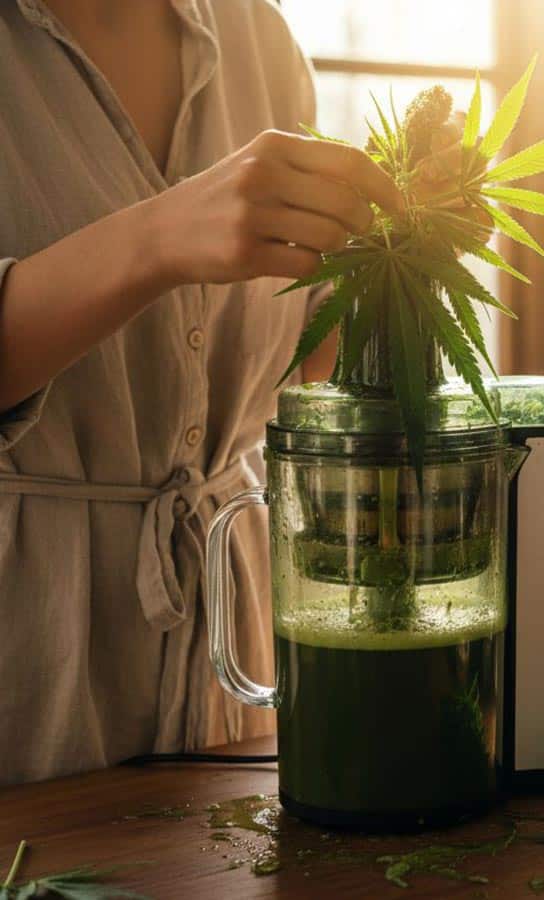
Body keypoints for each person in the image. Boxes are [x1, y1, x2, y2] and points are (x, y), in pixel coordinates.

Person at [0, 0, 470, 784]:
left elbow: (297, 362)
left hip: (230, 634)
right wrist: (156, 239)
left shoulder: (260, 34)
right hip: (30, 655)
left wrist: (402, 257)